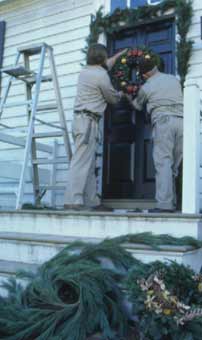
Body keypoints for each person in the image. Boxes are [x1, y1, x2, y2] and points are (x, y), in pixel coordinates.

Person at [64, 43, 127, 210]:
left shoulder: (85, 72)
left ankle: (92, 201)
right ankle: (72, 200)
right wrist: (123, 93)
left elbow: (106, 66)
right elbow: (112, 98)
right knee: (81, 161)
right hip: (88, 123)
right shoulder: (101, 76)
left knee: (88, 162)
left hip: (81, 120)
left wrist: (119, 56)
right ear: (102, 57)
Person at [131, 55, 183, 213]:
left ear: (144, 75)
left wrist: (128, 97)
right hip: (183, 121)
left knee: (163, 163)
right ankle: (174, 202)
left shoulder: (147, 86)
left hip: (164, 121)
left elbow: (137, 106)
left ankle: (165, 205)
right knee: (175, 166)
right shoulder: (174, 79)